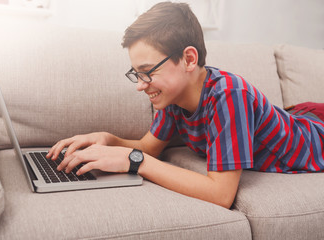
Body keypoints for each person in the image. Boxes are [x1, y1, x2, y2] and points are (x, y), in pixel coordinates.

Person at [46, 2, 324, 209]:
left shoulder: (228, 94)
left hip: (315, 139)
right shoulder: (172, 98)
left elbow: (221, 194)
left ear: (189, 60)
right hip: (296, 116)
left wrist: (134, 162)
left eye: (147, 71)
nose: (140, 85)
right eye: (136, 74)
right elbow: (148, 148)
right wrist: (108, 140)